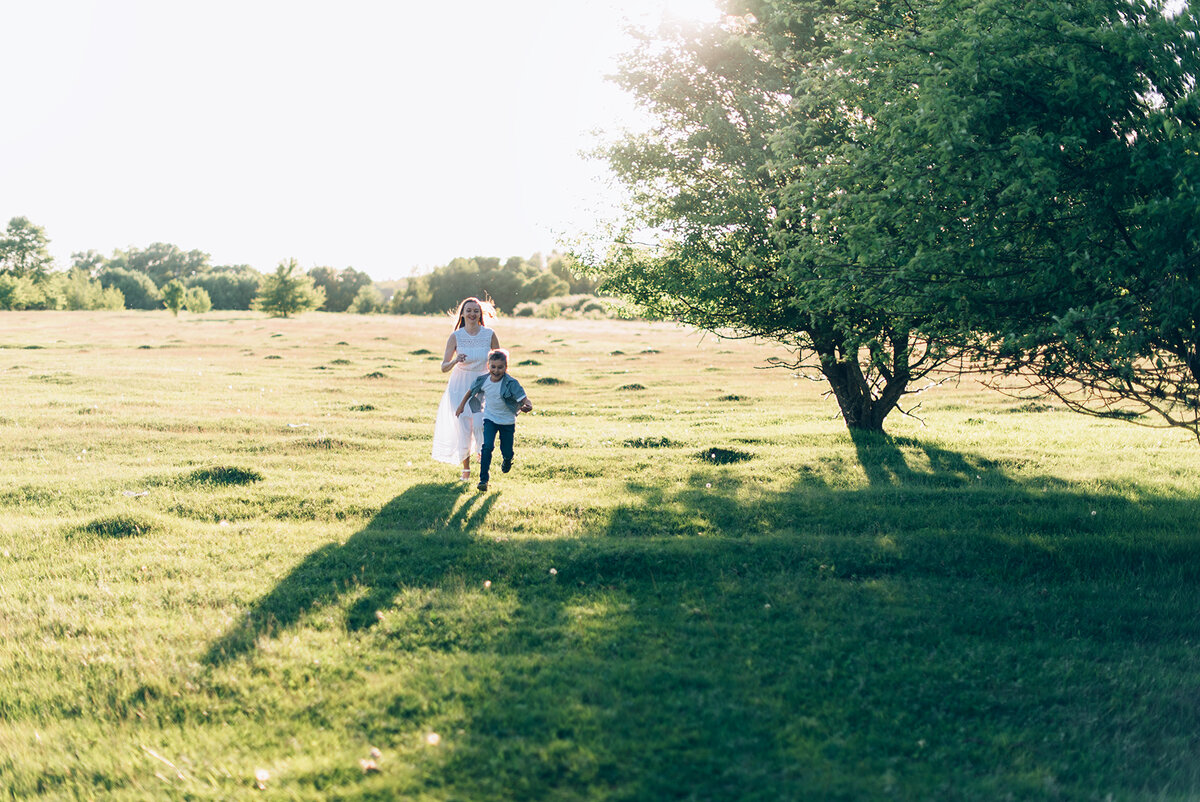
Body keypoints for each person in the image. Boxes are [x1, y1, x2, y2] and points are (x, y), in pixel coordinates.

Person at [431, 297, 499, 480]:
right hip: (459, 385)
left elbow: (500, 361)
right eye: (468, 310)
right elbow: (443, 367)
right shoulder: (456, 336)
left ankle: (482, 454)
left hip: (483, 385)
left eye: (475, 311)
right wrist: (455, 360)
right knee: (463, 428)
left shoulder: (489, 334)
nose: (472, 314)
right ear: (462, 313)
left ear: (480, 314)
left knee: (480, 424)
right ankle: (466, 470)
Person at [455, 349, 532, 491]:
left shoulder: (511, 383)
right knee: (487, 447)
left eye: (500, 367)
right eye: (493, 367)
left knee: (506, 450)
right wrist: (461, 406)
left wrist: (528, 405)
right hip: (490, 418)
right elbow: (470, 391)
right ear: (488, 366)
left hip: (507, 421)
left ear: (506, 367)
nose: (496, 370)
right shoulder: (483, 380)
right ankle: (483, 480)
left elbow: (523, 397)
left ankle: (508, 460)